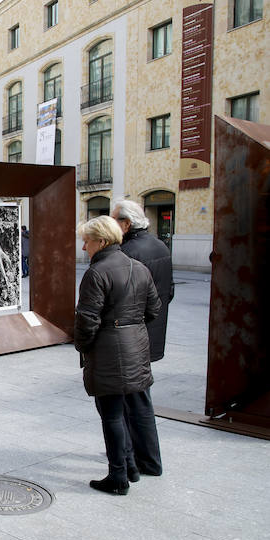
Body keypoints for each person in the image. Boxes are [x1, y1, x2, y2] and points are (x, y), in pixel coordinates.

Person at [74, 216, 161, 496]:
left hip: (109, 350)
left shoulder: (97, 273)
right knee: (125, 411)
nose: (84, 247)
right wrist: (131, 328)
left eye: (86, 241)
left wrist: (83, 347)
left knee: (111, 414)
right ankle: (131, 466)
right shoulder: (139, 268)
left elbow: (87, 320)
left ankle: (118, 477)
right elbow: (153, 310)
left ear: (101, 241)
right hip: (135, 346)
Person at [111, 200, 171, 476]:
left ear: (125, 224)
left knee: (133, 401)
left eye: (114, 221)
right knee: (138, 397)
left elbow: (123, 301)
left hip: (131, 338)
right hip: (151, 334)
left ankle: (141, 460)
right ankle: (140, 456)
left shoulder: (127, 254)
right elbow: (166, 293)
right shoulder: (160, 246)